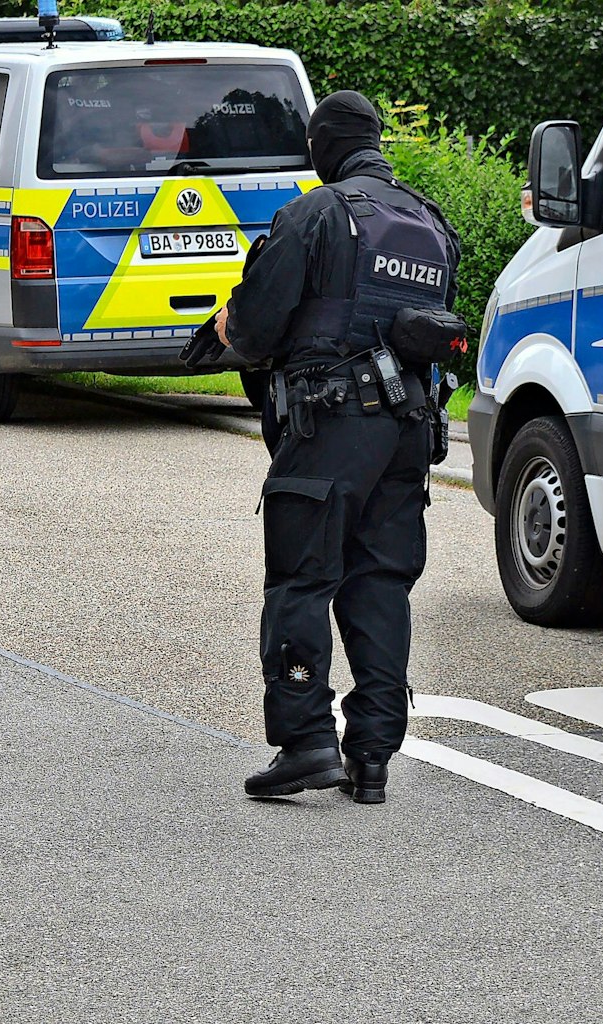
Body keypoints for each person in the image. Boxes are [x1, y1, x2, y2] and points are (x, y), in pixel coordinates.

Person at [216, 91, 460, 806]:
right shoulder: (430, 222)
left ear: (324, 148)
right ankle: (373, 757)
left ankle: (306, 741)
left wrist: (233, 326)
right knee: (380, 583)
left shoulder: (316, 215)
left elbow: (256, 330)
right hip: (409, 430)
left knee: (301, 575)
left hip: (332, 422)